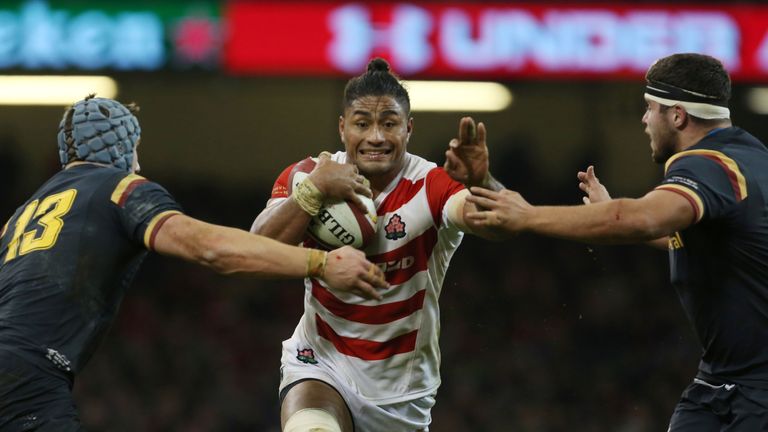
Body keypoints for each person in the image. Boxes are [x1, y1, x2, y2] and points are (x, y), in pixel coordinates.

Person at [0, 95, 388, 431]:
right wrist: (320, 262)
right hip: (28, 378)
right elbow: (211, 248)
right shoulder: (120, 188)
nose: (138, 162)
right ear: (123, 148)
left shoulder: (20, 216)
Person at [446, 53, 768, 431]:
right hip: (721, 380)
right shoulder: (747, 157)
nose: (645, 120)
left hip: (756, 387)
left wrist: (530, 216)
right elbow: (693, 241)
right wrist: (489, 186)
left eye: (650, 108)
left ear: (678, 116)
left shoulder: (708, 164)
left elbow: (643, 219)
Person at [250, 58, 499, 432]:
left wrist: (483, 183)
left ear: (408, 128)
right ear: (342, 127)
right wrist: (313, 191)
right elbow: (255, 251)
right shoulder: (309, 175)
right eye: (362, 123)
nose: (376, 137)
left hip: (399, 394)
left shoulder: (430, 186)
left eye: (389, 124)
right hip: (321, 363)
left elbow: (495, 225)